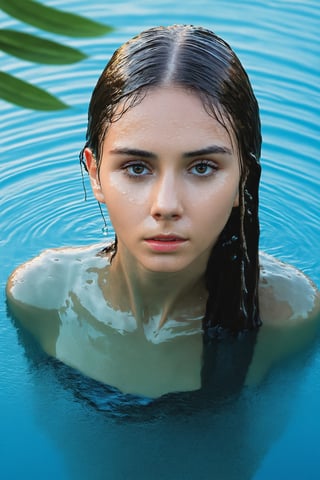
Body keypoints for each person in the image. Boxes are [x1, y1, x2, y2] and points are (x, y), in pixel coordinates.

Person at [6, 25, 320, 399]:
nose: (166, 205)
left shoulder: (288, 316)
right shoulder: (39, 297)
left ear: (243, 178)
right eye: (137, 168)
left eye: (202, 167)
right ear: (95, 174)